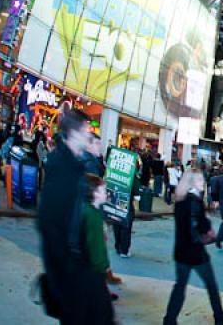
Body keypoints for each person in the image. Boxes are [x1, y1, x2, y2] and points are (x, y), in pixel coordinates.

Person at [38, 109, 113, 324]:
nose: (89, 135)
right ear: (72, 132)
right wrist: (62, 278)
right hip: (72, 275)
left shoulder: (74, 164)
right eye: (85, 130)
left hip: (80, 270)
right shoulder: (63, 168)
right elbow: (49, 225)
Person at [163, 169, 223, 325]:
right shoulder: (195, 202)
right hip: (195, 253)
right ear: (193, 182)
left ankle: (169, 320)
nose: (203, 183)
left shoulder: (180, 200)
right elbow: (194, 229)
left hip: (181, 251)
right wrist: (208, 237)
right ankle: (220, 319)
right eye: (200, 180)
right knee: (212, 286)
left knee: (180, 287)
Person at [82, 174, 120, 305]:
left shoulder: (92, 210)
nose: (107, 193)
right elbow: (95, 246)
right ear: (95, 194)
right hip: (94, 268)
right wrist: (103, 265)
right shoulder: (91, 215)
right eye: (103, 190)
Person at [113, 154, 140, 258]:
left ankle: (117, 247)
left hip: (115, 200)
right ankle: (124, 250)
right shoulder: (132, 175)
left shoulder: (115, 171)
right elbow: (137, 196)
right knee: (125, 226)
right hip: (126, 202)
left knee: (117, 224)